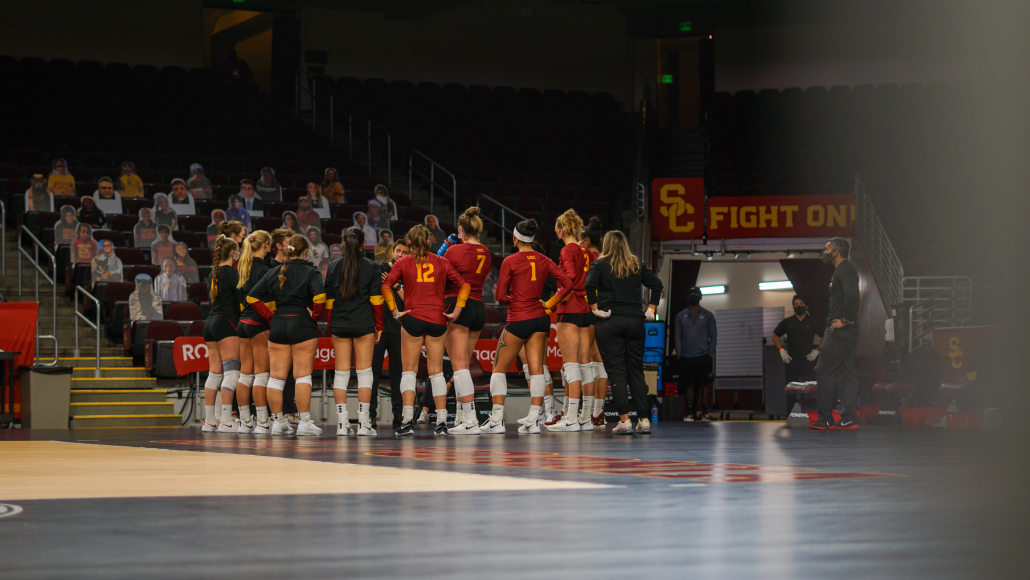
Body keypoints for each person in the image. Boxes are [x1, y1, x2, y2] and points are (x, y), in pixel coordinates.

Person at [484, 219, 572, 435]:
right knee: (537, 370)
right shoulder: (543, 259)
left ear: (515, 238)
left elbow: (499, 296)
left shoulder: (510, 261)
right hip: (541, 318)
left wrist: (512, 300)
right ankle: (533, 419)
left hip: (519, 318)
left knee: (498, 369)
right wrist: (549, 305)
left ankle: (496, 420)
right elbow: (568, 284)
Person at [381, 225, 471, 436]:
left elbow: (386, 285)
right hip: (437, 319)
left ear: (410, 242)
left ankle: (407, 421)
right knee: (436, 372)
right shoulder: (442, 261)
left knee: (409, 371)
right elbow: (464, 285)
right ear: (430, 241)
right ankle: (440, 422)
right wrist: (456, 312)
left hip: (412, 318)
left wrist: (395, 312)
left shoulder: (403, 261)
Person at [246, 234, 326, 436]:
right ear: (305, 251)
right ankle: (305, 423)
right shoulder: (311, 271)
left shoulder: (274, 272)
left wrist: (270, 316)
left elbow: (251, 297)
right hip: (302, 325)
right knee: (302, 376)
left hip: (278, 326)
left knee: (276, 378)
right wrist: (315, 316)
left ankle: (278, 422)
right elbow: (320, 297)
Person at [585, 230, 664, 435]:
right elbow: (657, 285)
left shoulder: (600, 264)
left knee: (617, 372)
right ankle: (644, 421)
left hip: (609, 321)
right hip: (635, 321)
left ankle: (625, 421)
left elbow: (589, 285)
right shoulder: (636, 263)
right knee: (636, 370)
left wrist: (595, 309)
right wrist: (651, 309)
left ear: (606, 245)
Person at [326, 227, 386, 436]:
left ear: (344, 243)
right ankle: (363, 424)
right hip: (363, 324)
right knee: (364, 374)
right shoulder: (372, 267)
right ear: (362, 244)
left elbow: (329, 303)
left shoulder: (333, 267)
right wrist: (379, 326)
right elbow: (377, 302)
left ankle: (342, 424)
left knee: (341, 374)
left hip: (340, 325)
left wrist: (331, 326)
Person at [442, 208, 493, 435]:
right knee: (460, 365)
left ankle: (470, 419)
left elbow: (439, 274)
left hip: (457, 306)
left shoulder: (454, 251)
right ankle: (462, 418)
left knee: (459, 366)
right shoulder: (486, 251)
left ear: (461, 229)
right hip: (478, 308)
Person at [546, 209, 597, 432]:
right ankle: (586, 417)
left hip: (570, 308)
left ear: (563, 229)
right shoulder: (586, 251)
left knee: (571, 366)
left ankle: (571, 418)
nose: (555, 230)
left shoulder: (568, 249)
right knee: (585, 366)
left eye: (557, 227)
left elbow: (570, 279)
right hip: (586, 310)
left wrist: (550, 303)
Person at [811, 237, 861, 431]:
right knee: (847, 372)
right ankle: (849, 417)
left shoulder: (846, 269)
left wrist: (847, 319)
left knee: (824, 369)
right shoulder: (840, 271)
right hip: (843, 330)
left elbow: (853, 295)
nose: (824, 252)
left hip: (841, 331)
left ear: (836, 252)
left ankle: (825, 418)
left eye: (826, 249)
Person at [202, 236, 243, 433]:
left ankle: (209, 421)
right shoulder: (233, 274)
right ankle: (226, 420)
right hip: (227, 323)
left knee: (214, 374)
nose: (239, 254)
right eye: (237, 251)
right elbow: (240, 302)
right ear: (232, 253)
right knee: (232, 372)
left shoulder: (213, 274)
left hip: (210, 323)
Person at [235, 230, 274, 434]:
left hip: (243, 322)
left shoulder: (244, 267)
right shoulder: (266, 269)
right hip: (258, 323)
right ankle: (262, 422)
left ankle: (244, 421)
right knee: (261, 374)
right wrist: (270, 317)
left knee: (245, 374)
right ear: (266, 244)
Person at [370, 238, 408, 427]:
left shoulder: (409, 273)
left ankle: (398, 417)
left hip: (399, 330)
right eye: (398, 251)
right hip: (378, 329)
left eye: (404, 252)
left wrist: (396, 286)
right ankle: (370, 417)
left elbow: (410, 301)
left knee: (398, 375)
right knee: (373, 373)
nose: (400, 255)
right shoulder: (378, 269)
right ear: (392, 252)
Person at [674, 286, 717, 421]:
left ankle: (704, 411)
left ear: (700, 296)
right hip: (686, 357)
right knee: (689, 384)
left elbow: (713, 336)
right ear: (687, 297)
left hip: (703, 356)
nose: (693, 295)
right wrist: (679, 354)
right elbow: (677, 337)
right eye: (690, 293)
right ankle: (690, 411)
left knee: (704, 384)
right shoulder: (681, 316)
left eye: (695, 293)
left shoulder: (708, 315)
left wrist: (710, 353)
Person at [580, 216, 608, 425]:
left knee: (585, 362)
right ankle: (598, 413)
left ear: (587, 241)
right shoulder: (609, 257)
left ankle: (586, 413)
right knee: (599, 362)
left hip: (588, 310)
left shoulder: (585, 256)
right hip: (606, 311)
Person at [773, 295, 824, 386]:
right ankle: (793, 401)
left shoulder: (812, 322)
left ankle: (805, 401)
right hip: (791, 361)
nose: (798, 306)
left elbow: (826, 336)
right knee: (790, 389)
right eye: (795, 304)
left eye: (801, 304)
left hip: (808, 360)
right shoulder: (788, 322)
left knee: (808, 388)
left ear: (806, 306)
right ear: (793, 306)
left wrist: (818, 350)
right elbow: (775, 335)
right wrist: (781, 350)